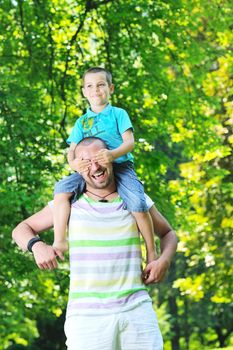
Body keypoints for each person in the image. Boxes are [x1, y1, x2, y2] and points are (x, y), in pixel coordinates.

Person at [12, 137, 177, 350]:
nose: (95, 166)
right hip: (87, 317)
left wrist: (164, 260)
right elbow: (20, 229)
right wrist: (37, 246)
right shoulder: (68, 204)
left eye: (99, 158)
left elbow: (169, 233)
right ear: (77, 167)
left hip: (137, 310)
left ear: (112, 158)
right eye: (86, 161)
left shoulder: (135, 199)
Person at [53, 67, 156, 267]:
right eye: (90, 86)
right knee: (61, 190)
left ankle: (151, 251)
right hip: (91, 170)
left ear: (110, 88)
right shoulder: (82, 122)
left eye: (101, 85)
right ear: (84, 91)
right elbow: (71, 151)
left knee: (138, 203)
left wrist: (112, 154)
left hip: (120, 166)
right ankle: (60, 239)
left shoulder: (118, 114)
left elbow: (129, 143)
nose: (95, 90)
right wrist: (75, 164)